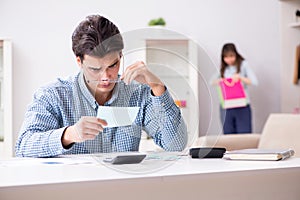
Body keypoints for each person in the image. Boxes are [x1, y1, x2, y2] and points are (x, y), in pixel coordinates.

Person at [15, 15, 187, 157]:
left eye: (112, 65)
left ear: (120, 56)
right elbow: (23, 146)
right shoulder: (53, 95)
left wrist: (157, 87)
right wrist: (70, 134)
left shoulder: (138, 93)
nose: (105, 77)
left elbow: (176, 144)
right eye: (95, 69)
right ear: (79, 62)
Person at [211, 43, 258, 134]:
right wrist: (222, 80)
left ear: (236, 54)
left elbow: (255, 82)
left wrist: (240, 78)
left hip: (242, 106)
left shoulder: (243, 65)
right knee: (229, 137)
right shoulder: (223, 68)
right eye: (226, 57)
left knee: (244, 136)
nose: (229, 59)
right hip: (226, 106)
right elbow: (212, 82)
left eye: (231, 56)